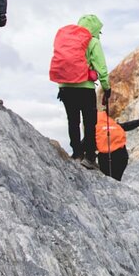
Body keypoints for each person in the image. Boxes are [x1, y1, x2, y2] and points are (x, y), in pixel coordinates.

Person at [56, 14, 111, 170]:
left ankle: (77, 153)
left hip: (65, 87)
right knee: (89, 123)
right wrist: (106, 88)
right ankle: (90, 158)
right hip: (85, 88)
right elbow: (101, 68)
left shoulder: (67, 40)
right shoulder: (92, 42)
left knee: (72, 121)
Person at [95, 111, 139, 181]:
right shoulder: (113, 124)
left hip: (105, 158)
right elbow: (126, 126)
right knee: (116, 179)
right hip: (121, 156)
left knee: (107, 179)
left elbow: (86, 142)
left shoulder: (95, 127)